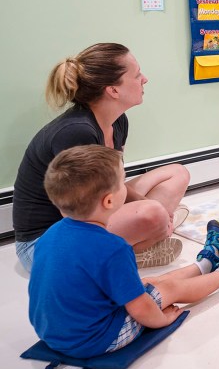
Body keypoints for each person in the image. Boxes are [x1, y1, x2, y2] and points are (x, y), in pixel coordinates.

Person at [28, 145, 219, 359]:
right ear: (109, 200)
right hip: (96, 339)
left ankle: (205, 265)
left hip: (53, 334)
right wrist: (161, 320)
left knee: (147, 283)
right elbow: (139, 307)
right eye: (122, 183)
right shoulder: (113, 247)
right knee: (167, 289)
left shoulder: (49, 235)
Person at [13, 43, 190, 272]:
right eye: (136, 75)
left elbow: (112, 187)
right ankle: (129, 251)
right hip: (45, 245)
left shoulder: (118, 121)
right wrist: (152, 211)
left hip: (88, 214)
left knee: (177, 173)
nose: (144, 79)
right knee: (153, 213)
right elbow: (80, 212)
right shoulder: (77, 132)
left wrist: (147, 207)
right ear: (113, 90)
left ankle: (146, 234)